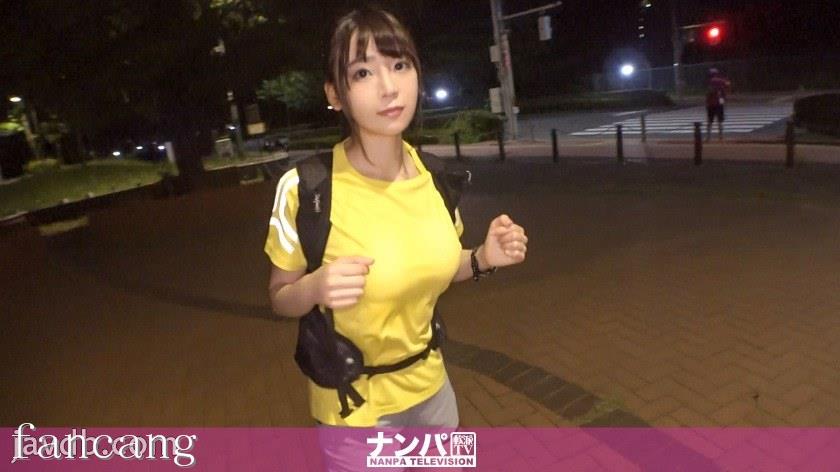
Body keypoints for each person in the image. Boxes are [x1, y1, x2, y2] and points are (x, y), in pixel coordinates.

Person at [265, 4, 527, 447]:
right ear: (335, 93)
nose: (388, 88)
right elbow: (280, 296)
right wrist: (315, 287)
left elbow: (437, 266)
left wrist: (483, 258)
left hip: (433, 392)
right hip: (354, 409)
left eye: (400, 65)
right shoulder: (306, 188)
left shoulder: (435, 177)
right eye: (363, 73)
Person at [705, 68, 731, 141]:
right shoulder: (721, 80)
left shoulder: (710, 81)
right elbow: (728, 84)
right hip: (719, 103)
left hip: (711, 103)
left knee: (710, 121)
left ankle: (708, 137)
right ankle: (721, 137)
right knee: (720, 121)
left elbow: (709, 92)